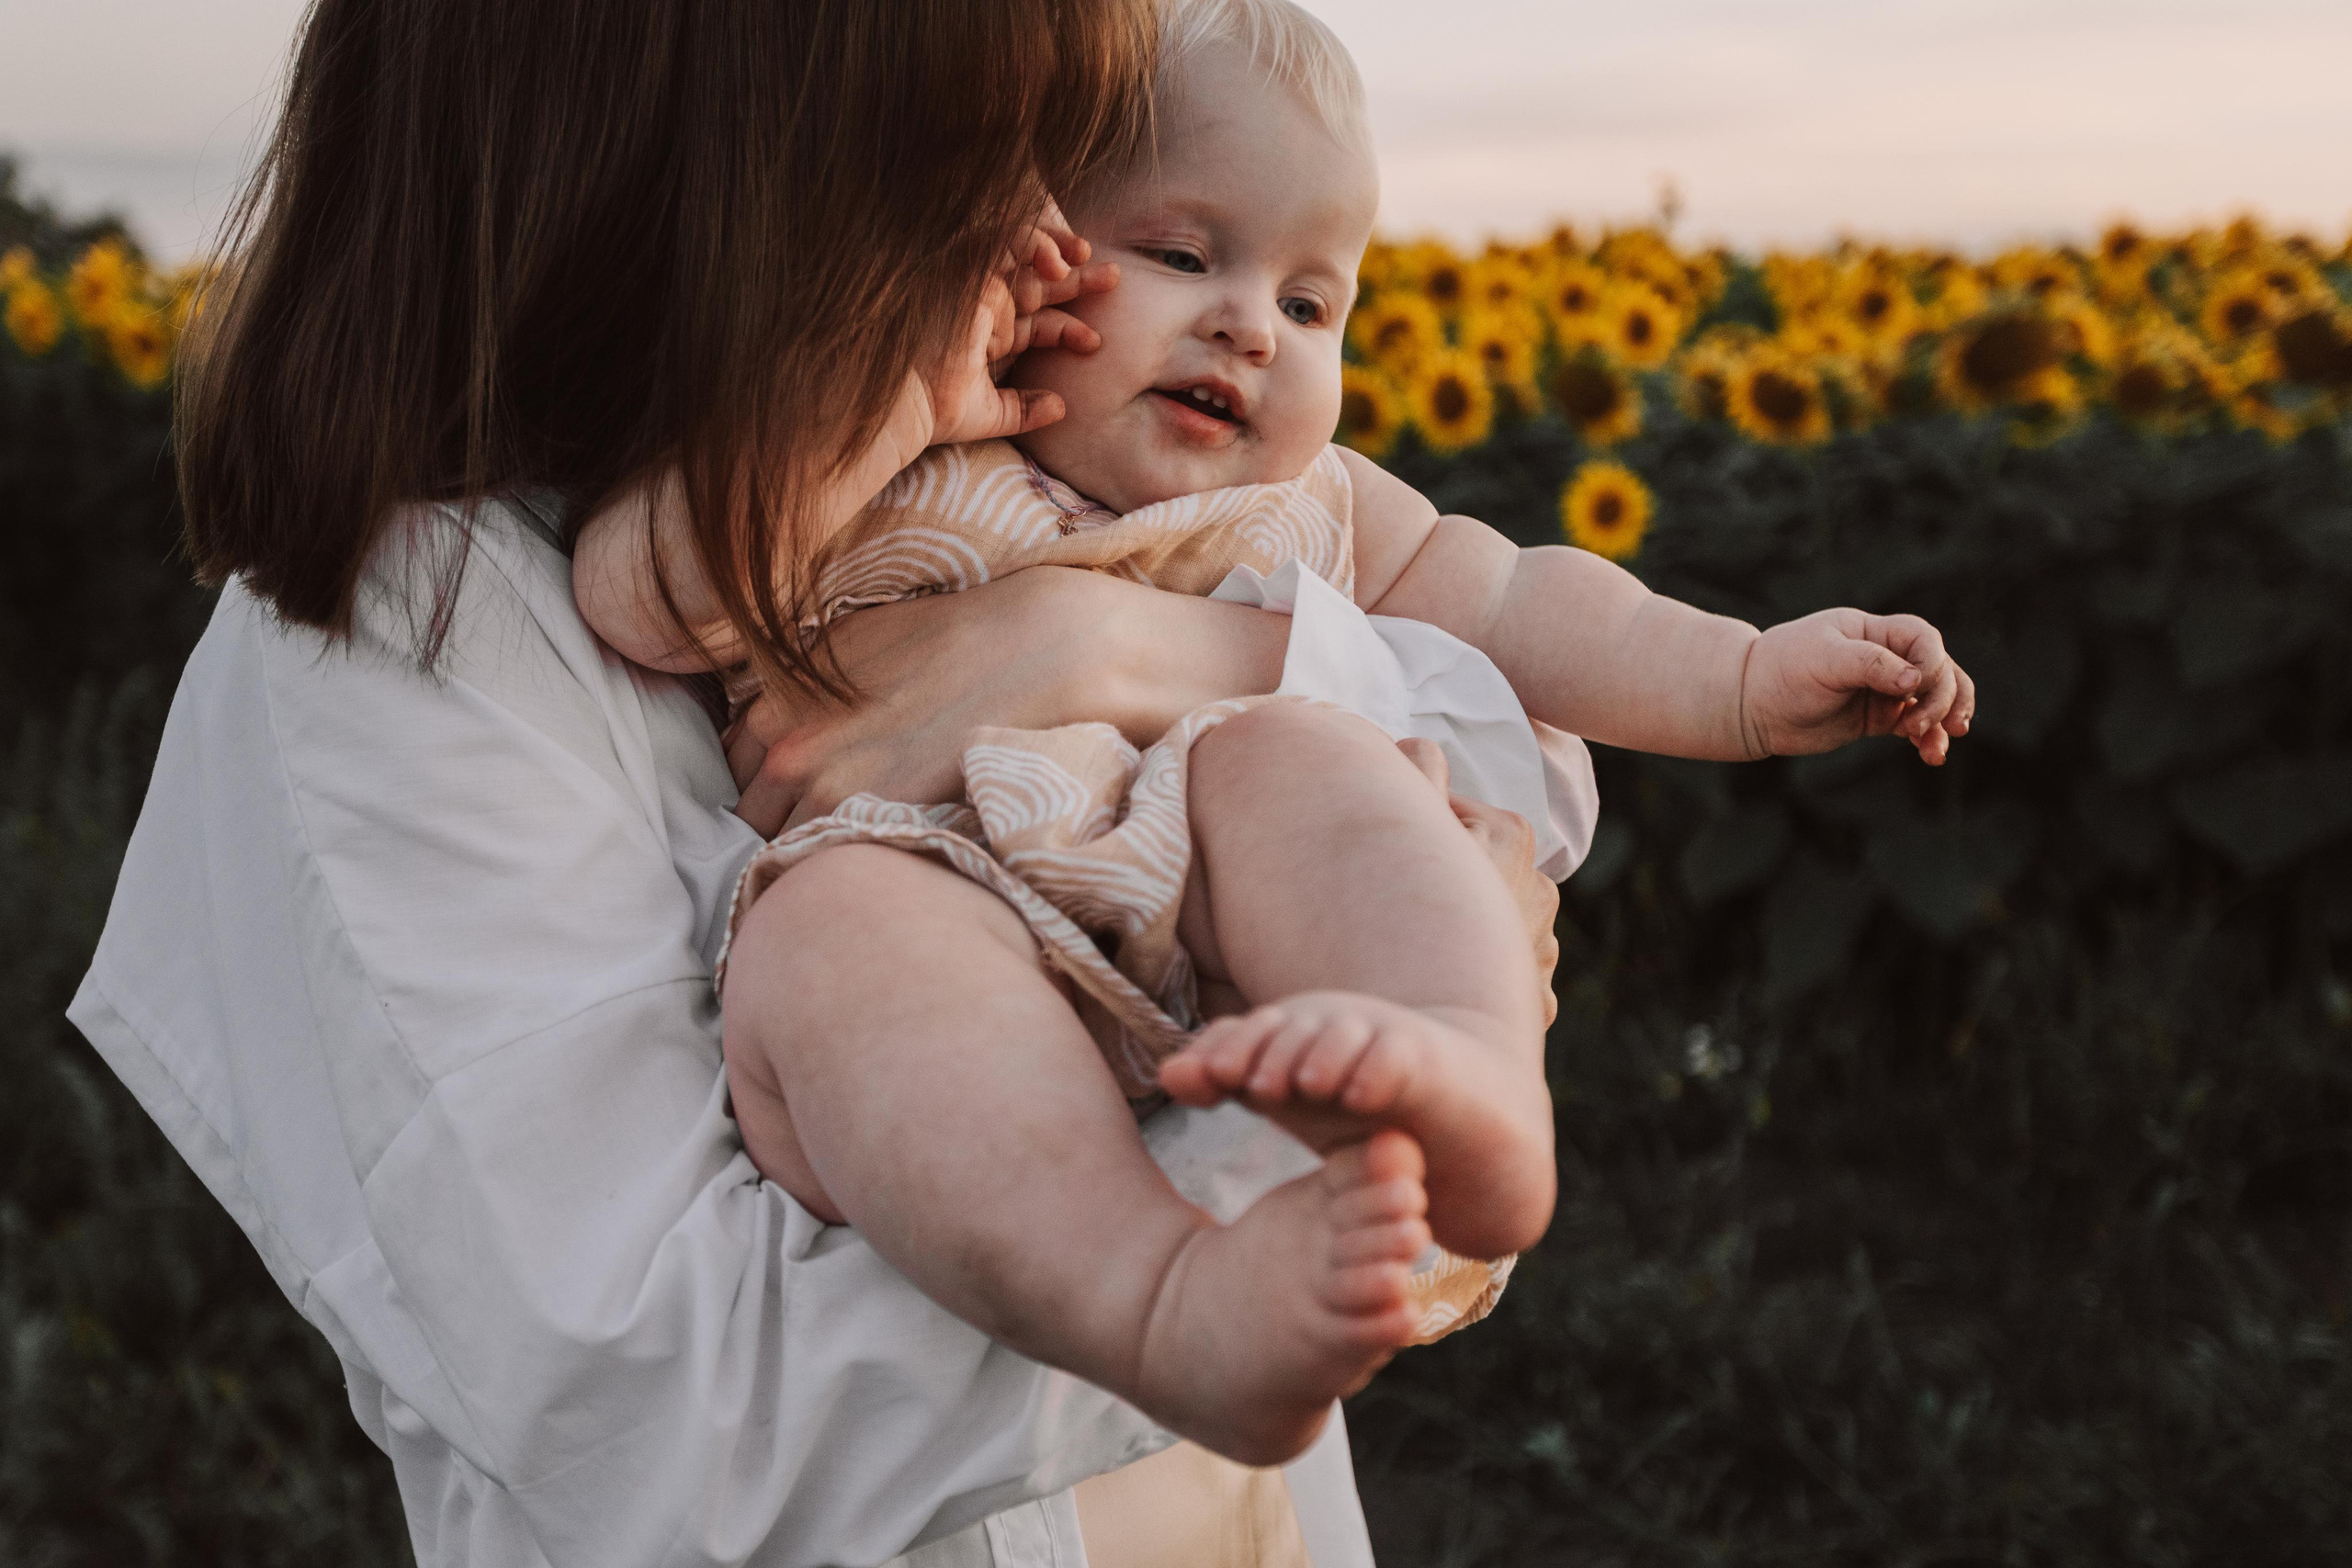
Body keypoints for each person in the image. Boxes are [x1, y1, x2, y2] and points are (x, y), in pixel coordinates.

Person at [65, 0, 1565, 1561]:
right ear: (734, 156)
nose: (1039, 227)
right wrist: (1304, 1181)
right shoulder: (411, 626)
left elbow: (1525, 745)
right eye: (973, 147)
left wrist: (1107, 640)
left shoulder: (1002, 478)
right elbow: (675, 1417)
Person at [574, 0, 1978, 1478]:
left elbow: (1525, 603)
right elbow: (642, 595)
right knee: (832, 937)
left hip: (1237, 912)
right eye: (1184, 254)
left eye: (1314, 305)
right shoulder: (881, 443)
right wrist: (888, 384)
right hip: (937, 918)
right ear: (1011, 248)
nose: (1252, 323)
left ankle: (1473, 1077)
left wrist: (1746, 677)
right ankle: (1159, 1296)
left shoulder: (1314, 508)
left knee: (1304, 759)